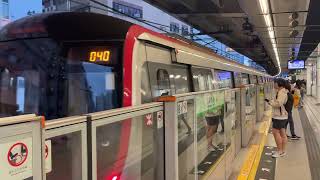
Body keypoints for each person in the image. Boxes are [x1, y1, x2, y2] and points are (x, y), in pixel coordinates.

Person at [265, 78, 288, 158]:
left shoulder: (281, 92)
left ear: (279, 84)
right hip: (283, 116)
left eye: (275, 83)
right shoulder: (283, 91)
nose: (274, 84)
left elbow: (278, 104)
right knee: (283, 134)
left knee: (276, 133)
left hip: (279, 117)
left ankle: (279, 151)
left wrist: (270, 102)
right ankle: (282, 150)